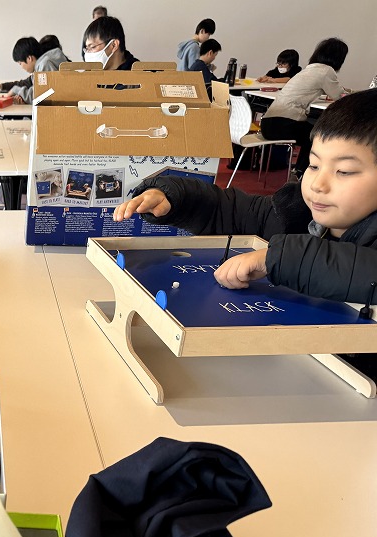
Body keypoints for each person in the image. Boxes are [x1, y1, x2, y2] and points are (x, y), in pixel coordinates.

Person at [112, 88, 377, 377]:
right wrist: (175, 198)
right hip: (297, 366)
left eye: (344, 171)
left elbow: (361, 271)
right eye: (313, 165)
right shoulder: (296, 210)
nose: (317, 184)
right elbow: (234, 210)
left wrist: (276, 258)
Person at [260, 38, 349, 177]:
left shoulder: (309, 69)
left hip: (268, 124)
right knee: (318, 136)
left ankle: (299, 171)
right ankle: (300, 173)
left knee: (313, 132)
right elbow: (339, 96)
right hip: (283, 124)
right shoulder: (326, 71)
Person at [0, 37, 69, 104]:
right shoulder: (41, 66)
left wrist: (16, 90)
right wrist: (0, 86)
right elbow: (27, 84)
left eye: (20, 63)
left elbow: (40, 96)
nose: (21, 67)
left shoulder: (45, 65)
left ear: (29, 58)